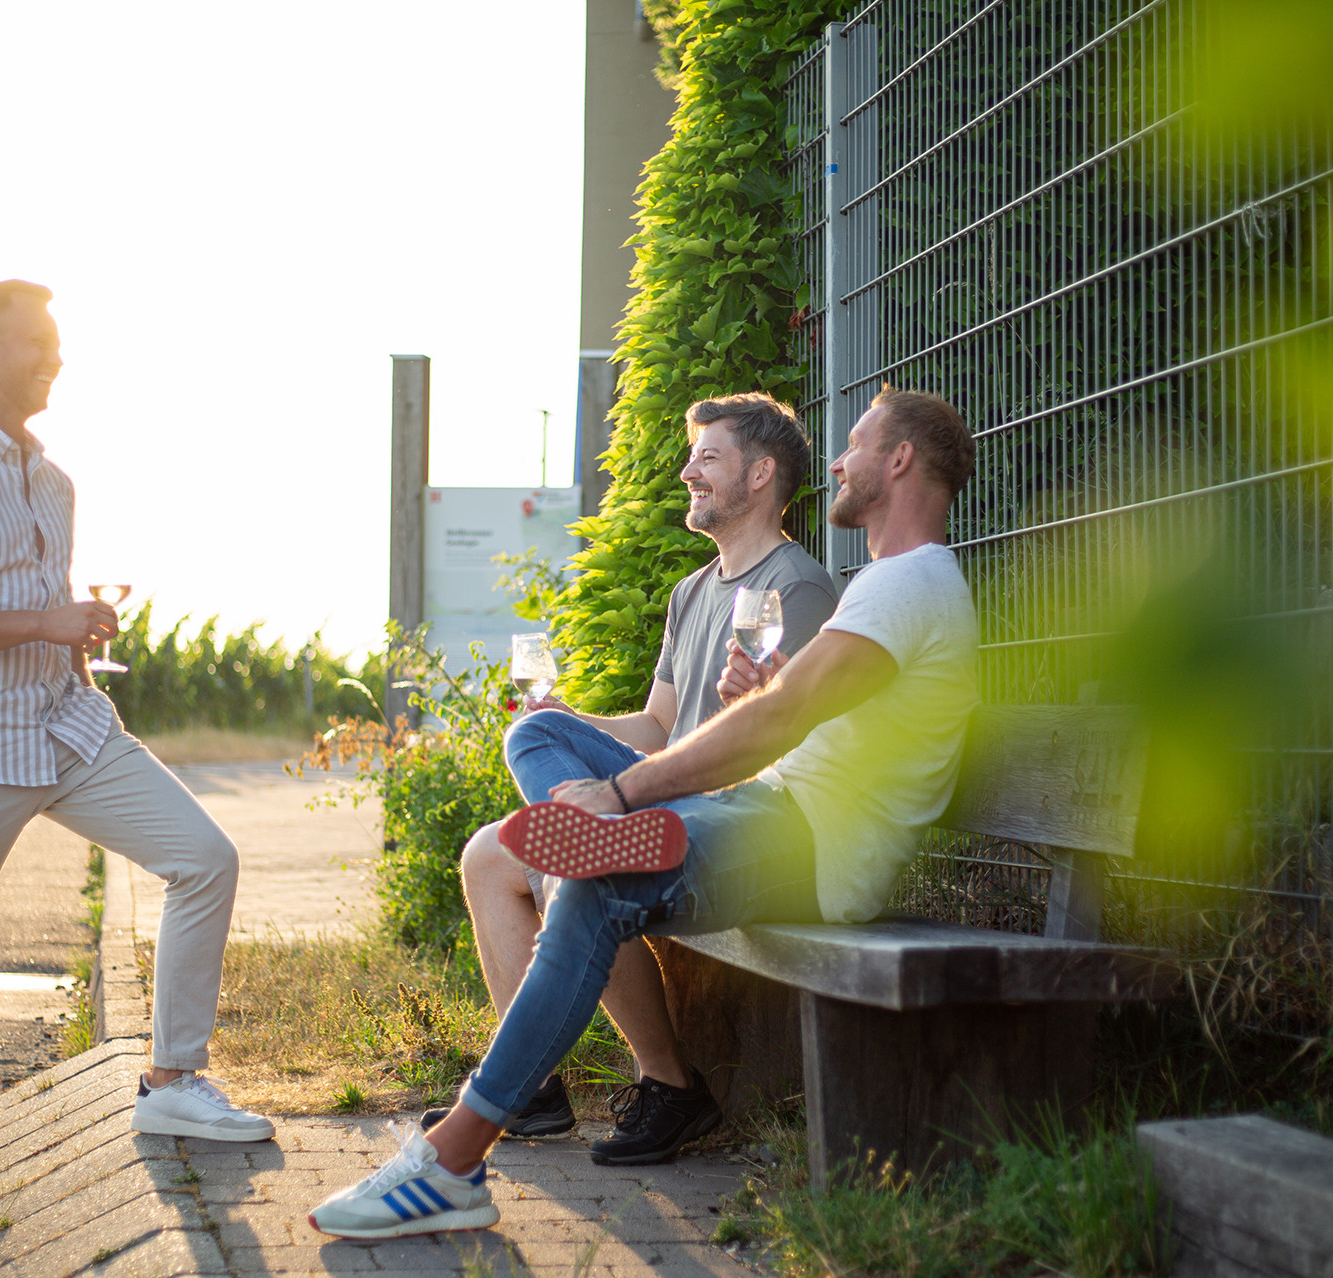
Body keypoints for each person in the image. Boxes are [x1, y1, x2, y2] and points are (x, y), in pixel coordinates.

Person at [309, 387, 979, 1239]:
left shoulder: (904, 584)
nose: (838, 462)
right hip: (767, 808)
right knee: (545, 732)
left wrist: (623, 793)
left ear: (900, 460)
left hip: (814, 844)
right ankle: (595, 849)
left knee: (593, 887)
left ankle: (452, 1158)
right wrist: (760, 696)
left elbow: (775, 727)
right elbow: (803, 716)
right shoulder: (889, 585)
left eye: (854, 445)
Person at [0, 281, 275, 1239]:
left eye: (58, 344)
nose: (56, 360)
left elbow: (36, 611)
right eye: (39, 344)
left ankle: (173, 1080)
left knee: (203, 858)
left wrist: (73, 634)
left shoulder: (53, 480)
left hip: (64, 724)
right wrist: (44, 619)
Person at [439, 392, 836, 1166]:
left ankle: (669, 1084)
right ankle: (535, 1093)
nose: (688, 471)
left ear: (759, 475)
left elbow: (790, 733)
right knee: (511, 794)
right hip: (665, 793)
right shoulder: (692, 592)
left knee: (575, 866)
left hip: (733, 807)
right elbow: (655, 729)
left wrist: (755, 701)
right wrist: (576, 722)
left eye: (707, 458)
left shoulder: (798, 585)